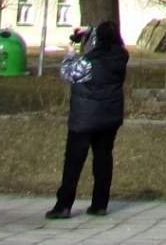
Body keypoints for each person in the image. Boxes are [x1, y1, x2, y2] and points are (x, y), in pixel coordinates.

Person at [46, 20, 128, 219]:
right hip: (109, 117)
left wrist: (71, 51)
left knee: (73, 163)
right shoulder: (120, 57)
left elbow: (68, 73)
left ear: (98, 40)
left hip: (84, 118)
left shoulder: (90, 62)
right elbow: (107, 38)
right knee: (103, 160)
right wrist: (90, 31)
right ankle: (100, 204)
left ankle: (63, 205)